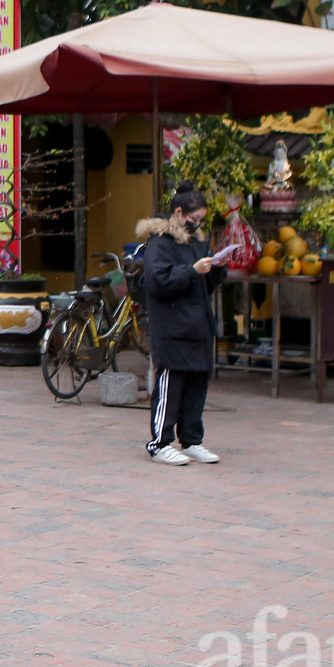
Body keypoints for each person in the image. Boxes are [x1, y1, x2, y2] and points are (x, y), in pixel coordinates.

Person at [139, 181, 229, 466]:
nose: (197, 224)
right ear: (179, 213)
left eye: (201, 220)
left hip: (198, 326)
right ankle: (160, 443)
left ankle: (191, 440)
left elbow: (204, 286)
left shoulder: (197, 243)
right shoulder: (159, 244)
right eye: (194, 219)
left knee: (196, 385)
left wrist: (217, 268)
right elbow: (157, 281)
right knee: (171, 384)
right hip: (173, 328)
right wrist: (192, 271)